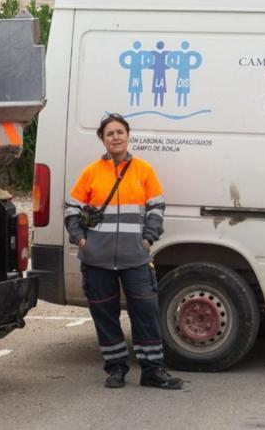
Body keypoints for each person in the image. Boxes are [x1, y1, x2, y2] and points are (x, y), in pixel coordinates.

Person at [64, 113, 183, 390]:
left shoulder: (143, 170)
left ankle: (152, 370)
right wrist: (82, 240)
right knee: (104, 314)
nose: (115, 137)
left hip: (135, 258)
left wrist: (147, 239)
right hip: (97, 260)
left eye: (120, 132)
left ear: (128, 135)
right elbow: (72, 210)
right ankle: (116, 368)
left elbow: (156, 207)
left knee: (146, 311)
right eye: (110, 133)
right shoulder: (91, 172)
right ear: (102, 139)